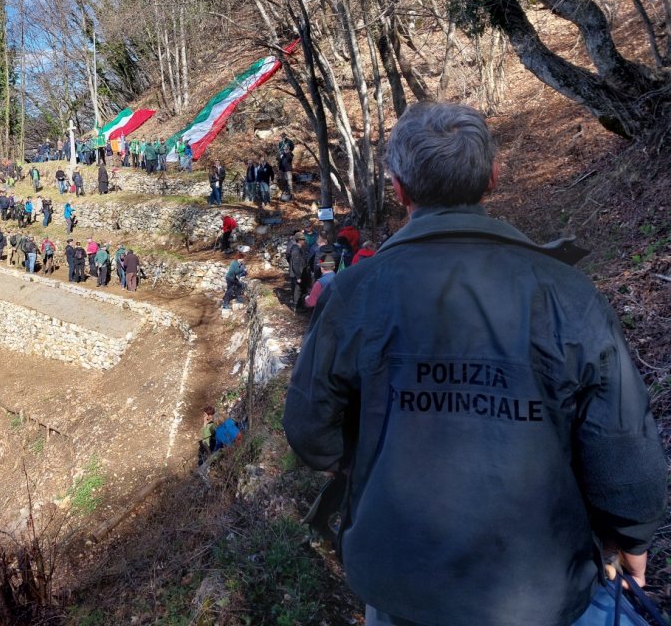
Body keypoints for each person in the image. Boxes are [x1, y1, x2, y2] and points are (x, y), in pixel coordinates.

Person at [283, 101, 666, 626]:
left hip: (401, 584)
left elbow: (310, 431)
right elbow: (622, 444)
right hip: (540, 587)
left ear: (398, 189)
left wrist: (369, 456)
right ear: (492, 178)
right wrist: (632, 539)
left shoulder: (355, 292)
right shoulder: (568, 294)